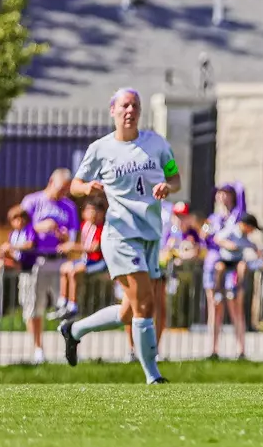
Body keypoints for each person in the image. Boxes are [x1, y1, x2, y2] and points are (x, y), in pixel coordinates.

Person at [58, 89, 179, 384]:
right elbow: (75, 184)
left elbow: (174, 177)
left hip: (150, 235)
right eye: (125, 105)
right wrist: (87, 188)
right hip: (120, 236)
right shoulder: (101, 148)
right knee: (146, 304)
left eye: (135, 105)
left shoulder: (157, 144)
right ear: (112, 110)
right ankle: (153, 376)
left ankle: (74, 330)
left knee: (129, 310)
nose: (130, 110)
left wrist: (168, 187)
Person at [17, 167, 80, 358]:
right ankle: (38, 350)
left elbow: (72, 238)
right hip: (36, 261)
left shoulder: (69, 207)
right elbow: (19, 230)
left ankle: (68, 349)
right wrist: (38, 228)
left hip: (60, 263)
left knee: (65, 308)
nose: (64, 193)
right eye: (61, 188)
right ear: (51, 182)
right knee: (33, 306)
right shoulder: (32, 201)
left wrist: (65, 238)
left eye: (67, 189)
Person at [203, 186, 250, 359]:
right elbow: (206, 238)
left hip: (232, 265)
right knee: (215, 307)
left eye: (227, 194)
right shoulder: (212, 219)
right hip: (214, 265)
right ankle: (213, 350)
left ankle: (241, 350)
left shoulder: (238, 217)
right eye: (221, 194)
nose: (223, 197)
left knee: (235, 304)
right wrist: (220, 241)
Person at [59, 200, 106, 317]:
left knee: (74, 272)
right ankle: (62, 302)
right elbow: (79, 242)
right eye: (89, 210)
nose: (93, 214)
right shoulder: (85, 225)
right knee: (64, 268)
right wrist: (65, 238)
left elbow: (94, 248)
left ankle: (73, 306)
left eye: (96, 211)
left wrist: (72, 246)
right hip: (85, 260)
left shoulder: (102, 228)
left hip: (99, 262)